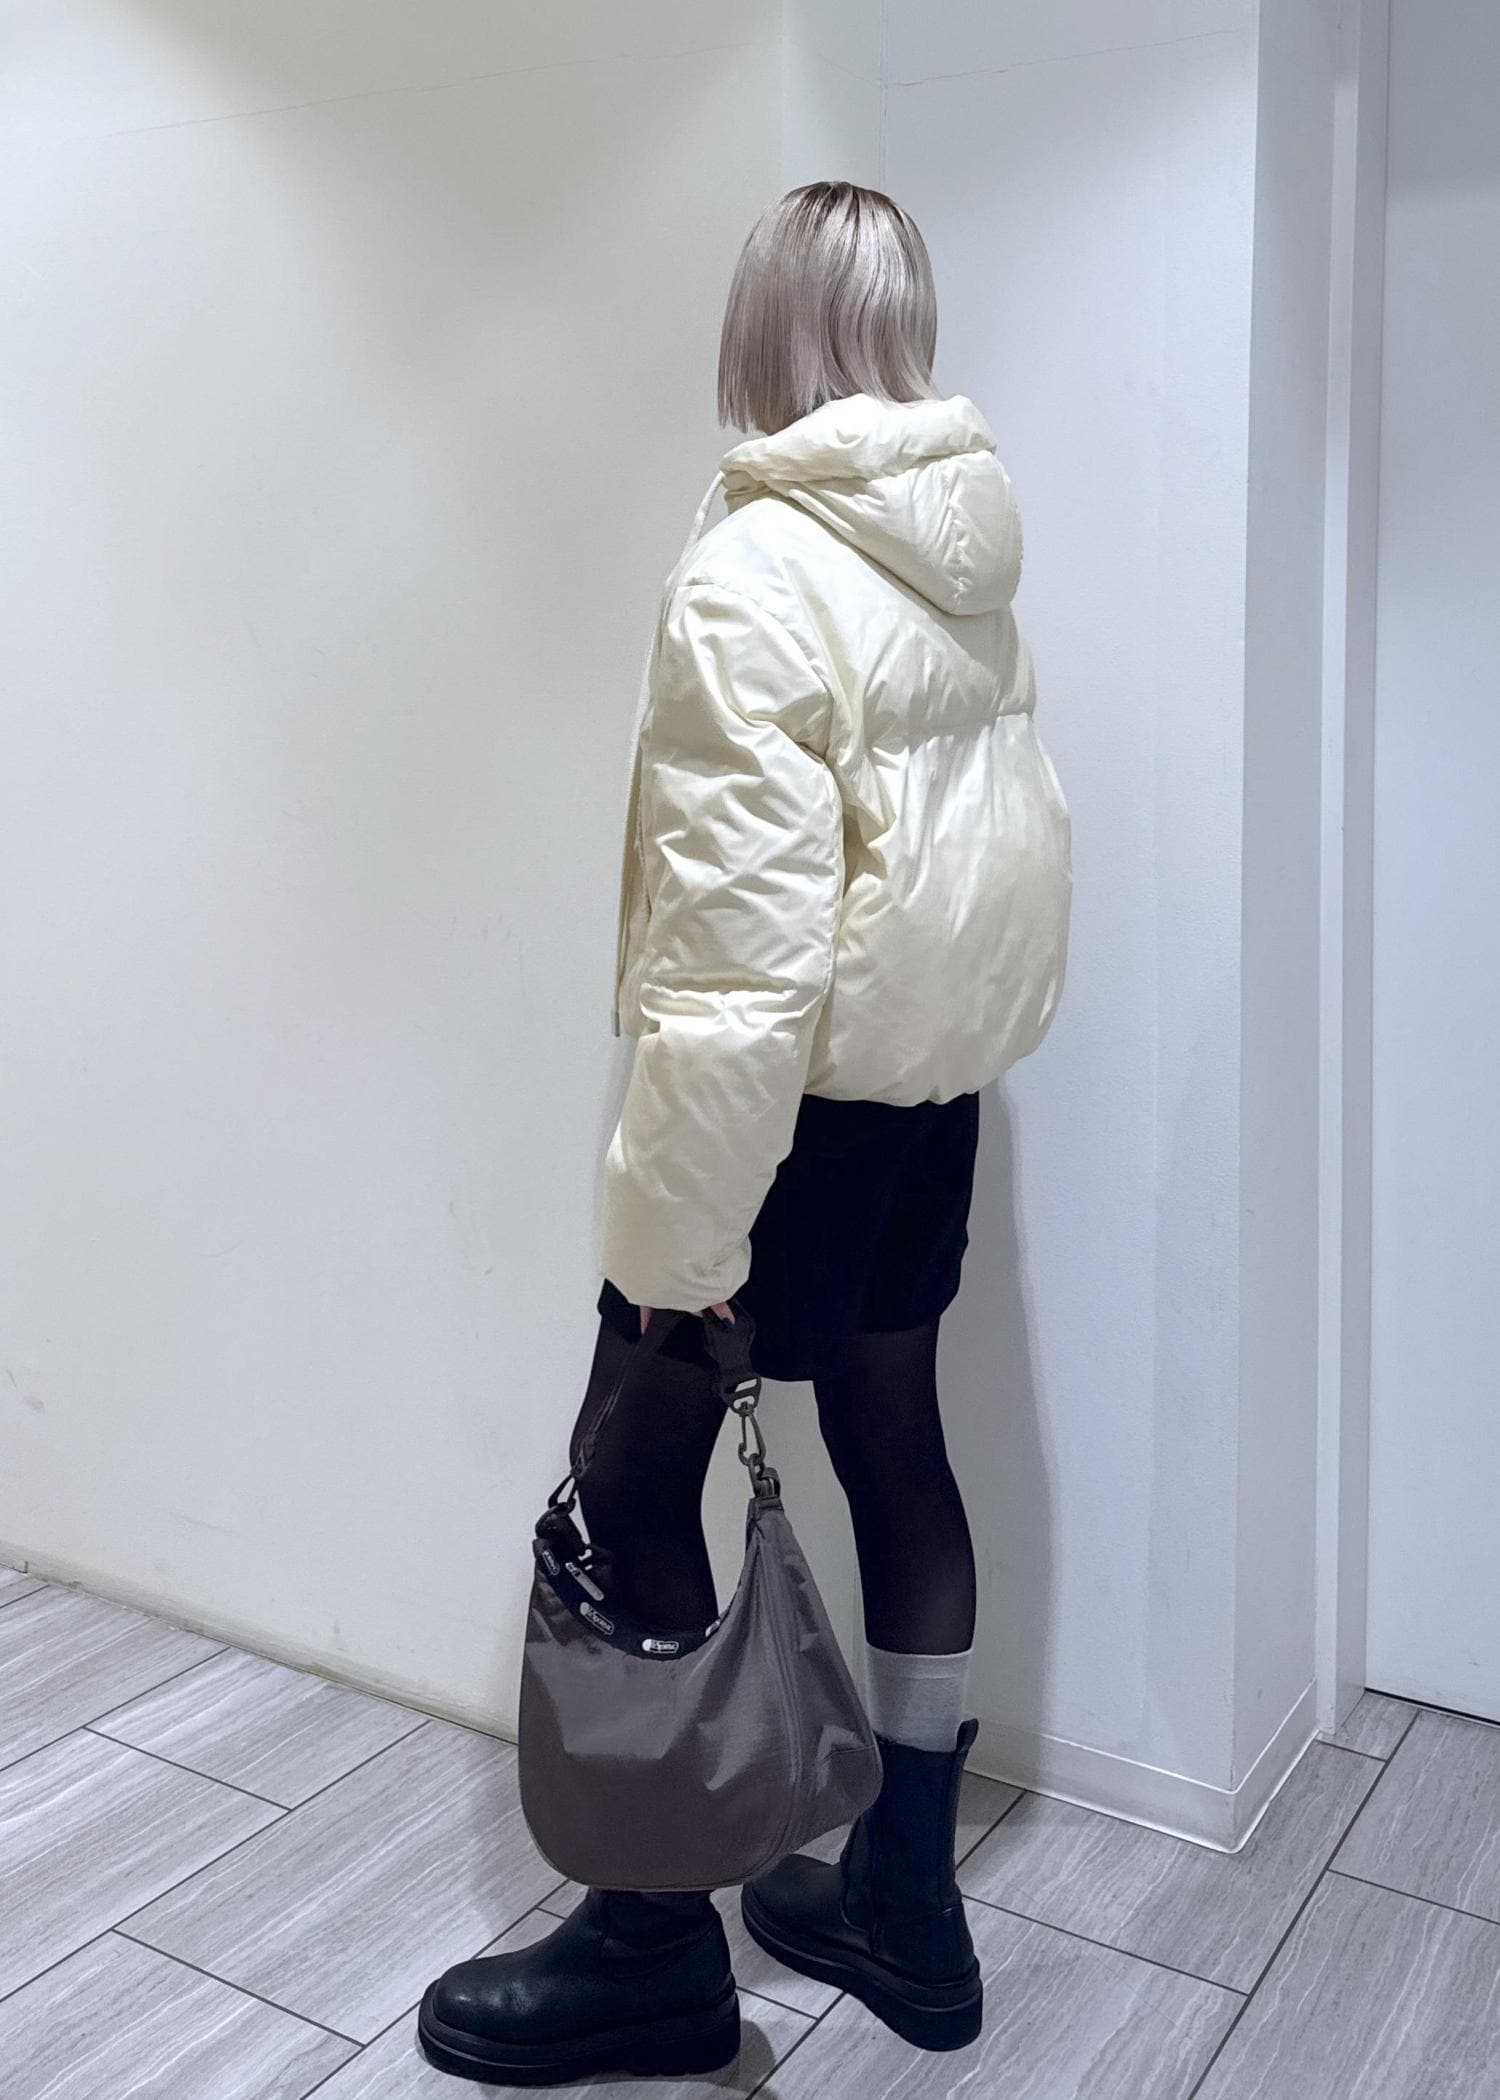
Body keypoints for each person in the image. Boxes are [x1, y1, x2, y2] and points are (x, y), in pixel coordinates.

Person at [420, 179, 1071, 2083]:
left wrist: (676, 1248)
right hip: (925, 1106)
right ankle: (907, 1907)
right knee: (895, 1451)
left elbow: (738, 970)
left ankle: (651, 1948)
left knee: (630, 1482)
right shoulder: (968, 558)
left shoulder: (759, 568)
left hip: (783, 1123)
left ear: (765, 328)